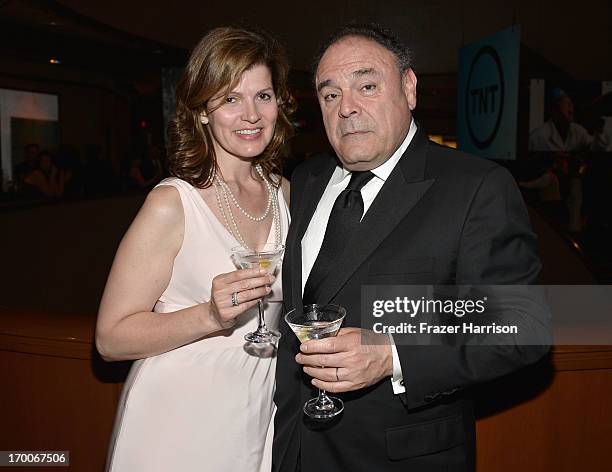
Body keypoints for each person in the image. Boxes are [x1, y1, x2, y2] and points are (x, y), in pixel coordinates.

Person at [273, 24, 551, 471]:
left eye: (366, 85)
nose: (347, 108)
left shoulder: (476, 186)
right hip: (293, 448)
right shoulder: (305, 181)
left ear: (409, 87)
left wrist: (392, 354)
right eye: (330, 95)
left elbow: (522, 326)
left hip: (400, 457)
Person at [96, 26, 295, 471]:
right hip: (178, 418)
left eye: (263, 96)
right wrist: (208, 315)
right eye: (230, 98)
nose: (251, 114)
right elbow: (109, 339)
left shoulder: (285, 194)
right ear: (203, 111)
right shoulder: (172, 203)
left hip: (257, 412)